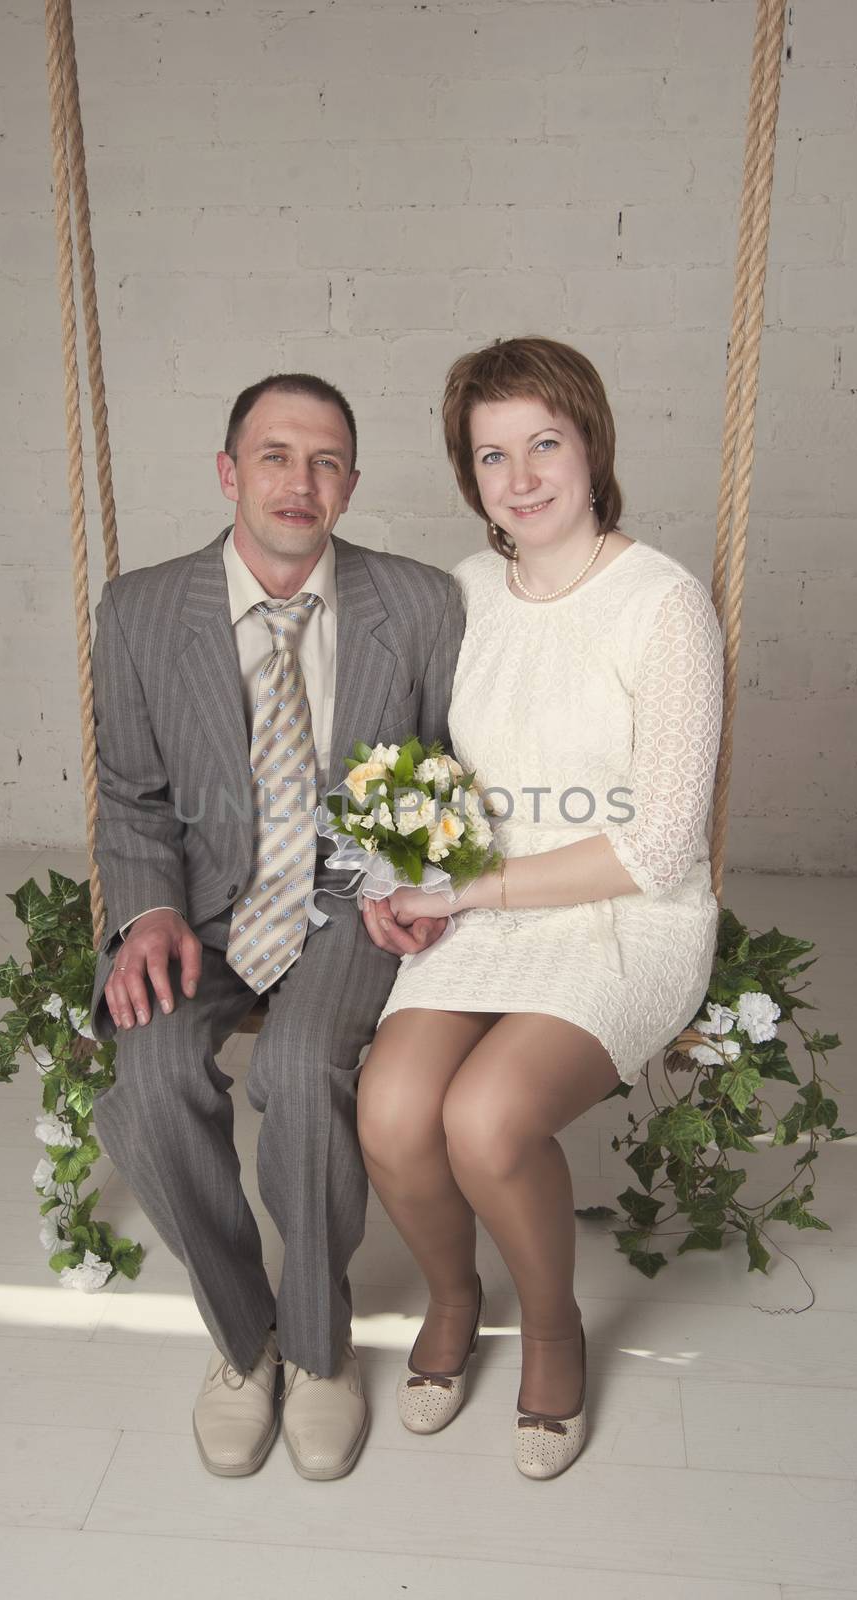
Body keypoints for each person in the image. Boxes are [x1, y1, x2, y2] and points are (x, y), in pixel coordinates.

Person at [357, 336, 723, 1480]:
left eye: (543, 444)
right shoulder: (462, 593)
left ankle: (553, 1328)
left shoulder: (661, 604)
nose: (520, 477)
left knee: (486, 1119)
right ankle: (455, 1296)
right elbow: (426, 776)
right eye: (491, 454)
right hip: (484, 906)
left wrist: (474, 887)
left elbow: (657, 841)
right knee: (391, 1106)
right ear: (468, 479)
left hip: (624, 915)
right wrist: (396, 885)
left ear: (590, 445)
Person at [87, 372, 464, 1480]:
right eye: (273, 456)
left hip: (349, 899)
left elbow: (443, 769)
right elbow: (130, 794)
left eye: (325, 460)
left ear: (350, 482)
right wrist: (149, 907)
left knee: (301, 1068)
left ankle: (318, 1343)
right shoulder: (141, 609)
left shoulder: (419, 603)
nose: (299, 482)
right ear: (227, 472)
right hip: (198, 904)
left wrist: (409, 877)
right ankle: (245, 1339)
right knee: (148, 1073)